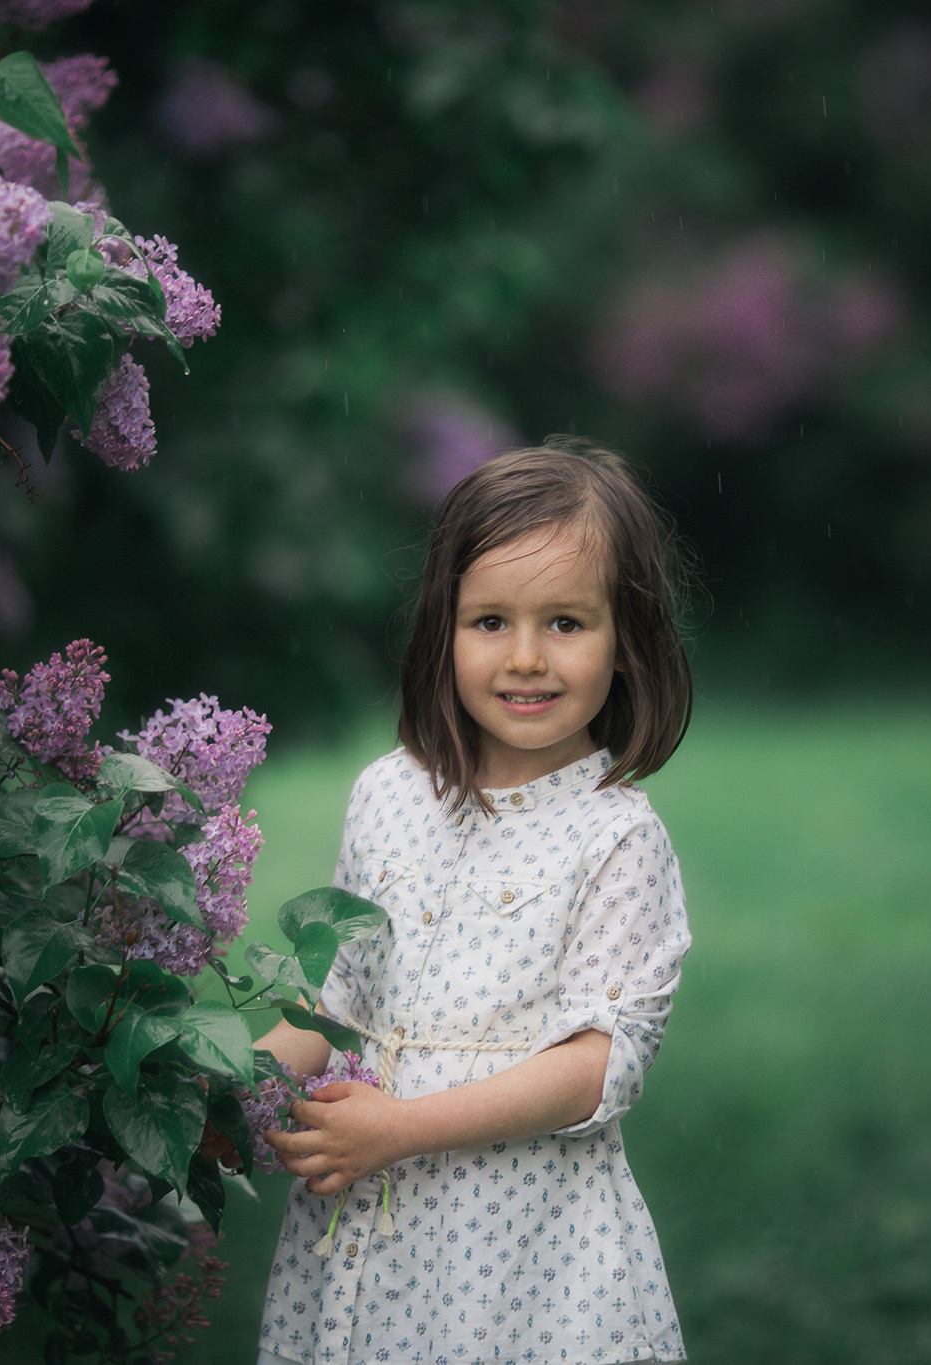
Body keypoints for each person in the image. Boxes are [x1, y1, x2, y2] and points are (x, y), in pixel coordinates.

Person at [253, 437, 695, 1365]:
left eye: (567, 622)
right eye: (491, 620)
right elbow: (335, 1007)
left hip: (528, 1246)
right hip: (369, 1230)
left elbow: (594, 1069)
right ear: (443, 630)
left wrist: (401, 1128)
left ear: (628, 640)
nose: (526, 657)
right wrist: (225, 1084)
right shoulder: (387, 794)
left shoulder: (615, 837)